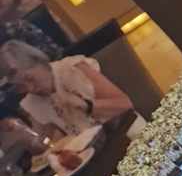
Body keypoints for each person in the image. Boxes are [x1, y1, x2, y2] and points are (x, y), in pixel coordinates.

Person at [0, 41, 133, 142]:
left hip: (125, 134)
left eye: (30, 79)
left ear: (38, 62)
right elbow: (55, 140)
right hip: (96, 154)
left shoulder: (71, 69)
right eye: (21, 87)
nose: (30, 89)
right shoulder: (32, 102)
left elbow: (125, 104)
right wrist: (29, 137)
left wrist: (87, 106)